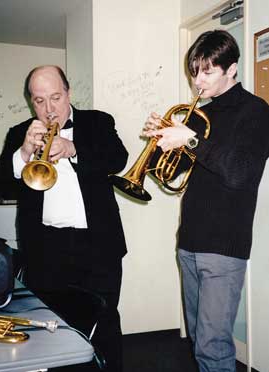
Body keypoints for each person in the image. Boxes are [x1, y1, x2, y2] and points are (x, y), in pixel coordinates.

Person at [144, 30, 269, 372]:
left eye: (207, 71)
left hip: (223, 245)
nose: (197, 80)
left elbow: (241, 173)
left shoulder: (256, 112)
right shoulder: (202, 115)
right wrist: (164, 141)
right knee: (200, 342)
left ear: (232, 69)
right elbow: (170, 175)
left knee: (213, 348)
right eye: (194, 70)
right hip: (189, 242)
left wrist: (192, 140)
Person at [0, 65, 128, 372]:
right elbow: (0, 184)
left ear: (68, 92)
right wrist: (23, 155)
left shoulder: (98, 121)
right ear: (31, 101)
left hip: (98, 247)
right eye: (39, 100)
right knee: (50, 328)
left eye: (55, 97)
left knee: (104, 323)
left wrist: (73, 148)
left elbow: (117, 159)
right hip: (45, 251)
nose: (48, 108)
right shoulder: (19, 133)